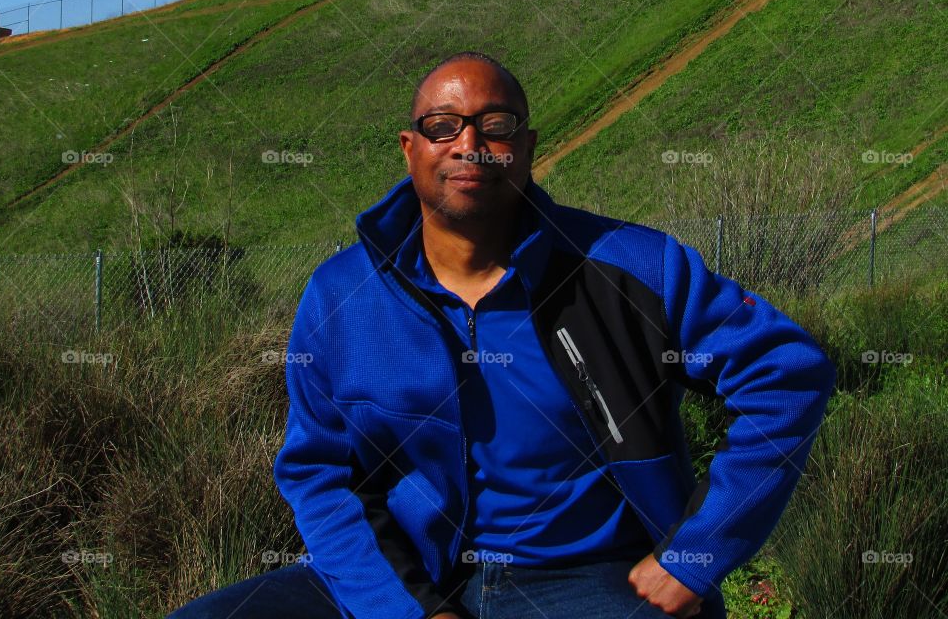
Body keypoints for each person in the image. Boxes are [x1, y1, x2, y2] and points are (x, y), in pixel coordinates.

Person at [168, 51, 836, 619]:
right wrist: (412, 611)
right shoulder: (341, 295)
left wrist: (698, 554)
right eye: (443, 126)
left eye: (496, 125)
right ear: (411, 149)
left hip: (588, 578)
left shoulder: (631, 268)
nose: (469, 145)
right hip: (402, 576)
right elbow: (318, 472)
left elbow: (788, 372)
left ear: (527, 147)